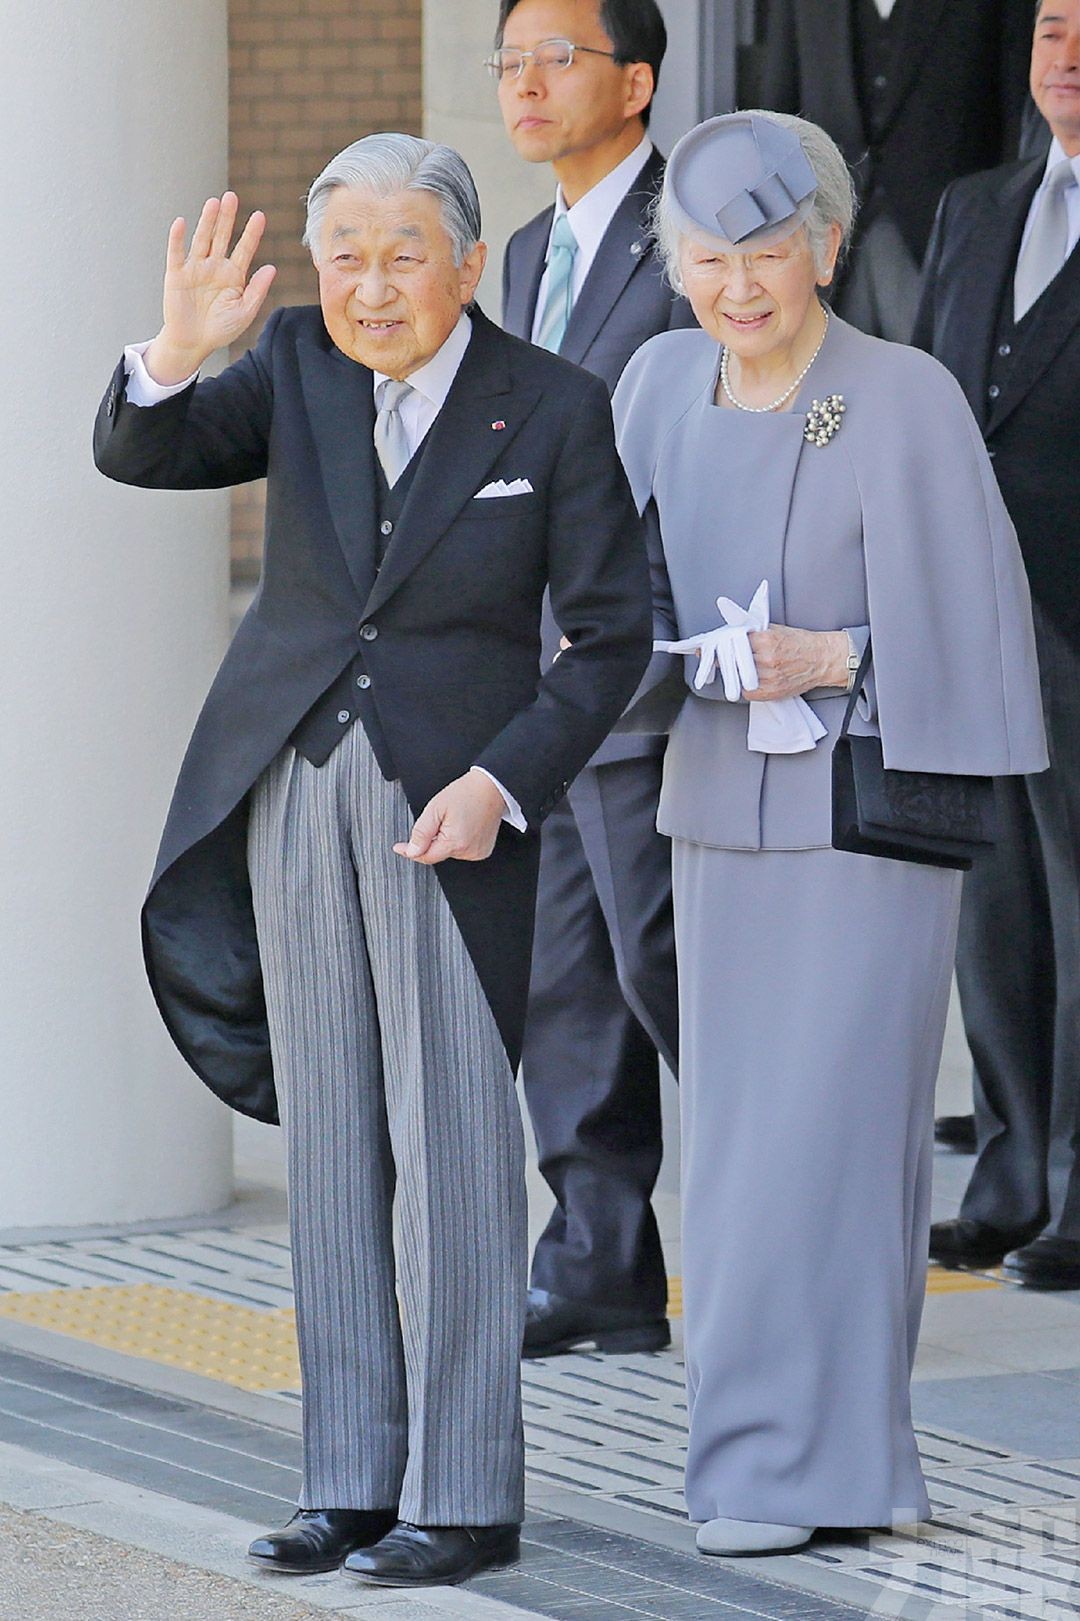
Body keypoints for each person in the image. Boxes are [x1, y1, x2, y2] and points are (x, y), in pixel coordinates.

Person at [93, 134, 651, 1588]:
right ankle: (347, 1475)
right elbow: (142, 449)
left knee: (460, 1148)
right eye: (347, 254)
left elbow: (610, 640)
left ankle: (464, 1493)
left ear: (470, 263)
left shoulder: (557, 406)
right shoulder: (292, 364)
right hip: (296, 780)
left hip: (455, 805)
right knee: (331, 1140)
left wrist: (504, 782)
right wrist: (173, 347)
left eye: (406, 252)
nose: (372, 283)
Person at [612, 111, 1046, 1557]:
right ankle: (745, 1460)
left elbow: (981, 631)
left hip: (865, 830)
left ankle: (847, 1468)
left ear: (828, 247)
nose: (742, 284)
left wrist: (839, 655)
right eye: (711, 256)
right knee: (734, 1152)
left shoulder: (905, 395)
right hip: (713, 818)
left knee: (847, 1149)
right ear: (675, 266)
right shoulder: (660, 388)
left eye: (771, 251)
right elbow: (603, 597)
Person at [494, 0, 692, 1359]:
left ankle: (796, 1224)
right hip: (541, 675)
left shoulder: (699, 235)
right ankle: (600, 1263)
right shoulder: (520, 252)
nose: (524, 83)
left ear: (636, 81)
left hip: (658, 669)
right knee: (563, 977)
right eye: (507, 61)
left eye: (554, 58)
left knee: (670, 967)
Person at [918, 0, 1080, 1290]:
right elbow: (921, 399)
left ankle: (1077, 1186)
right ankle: (1014, 1174)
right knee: (997, 902)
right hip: (970, 610)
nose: (1065, 54)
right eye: (1051, 29)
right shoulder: (976, 206)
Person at [760, 0, 1032, 341]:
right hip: (827, 230)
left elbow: (1016, 110)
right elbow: (778, 109)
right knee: (825, 377)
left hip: (947, 234)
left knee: (939, 380)